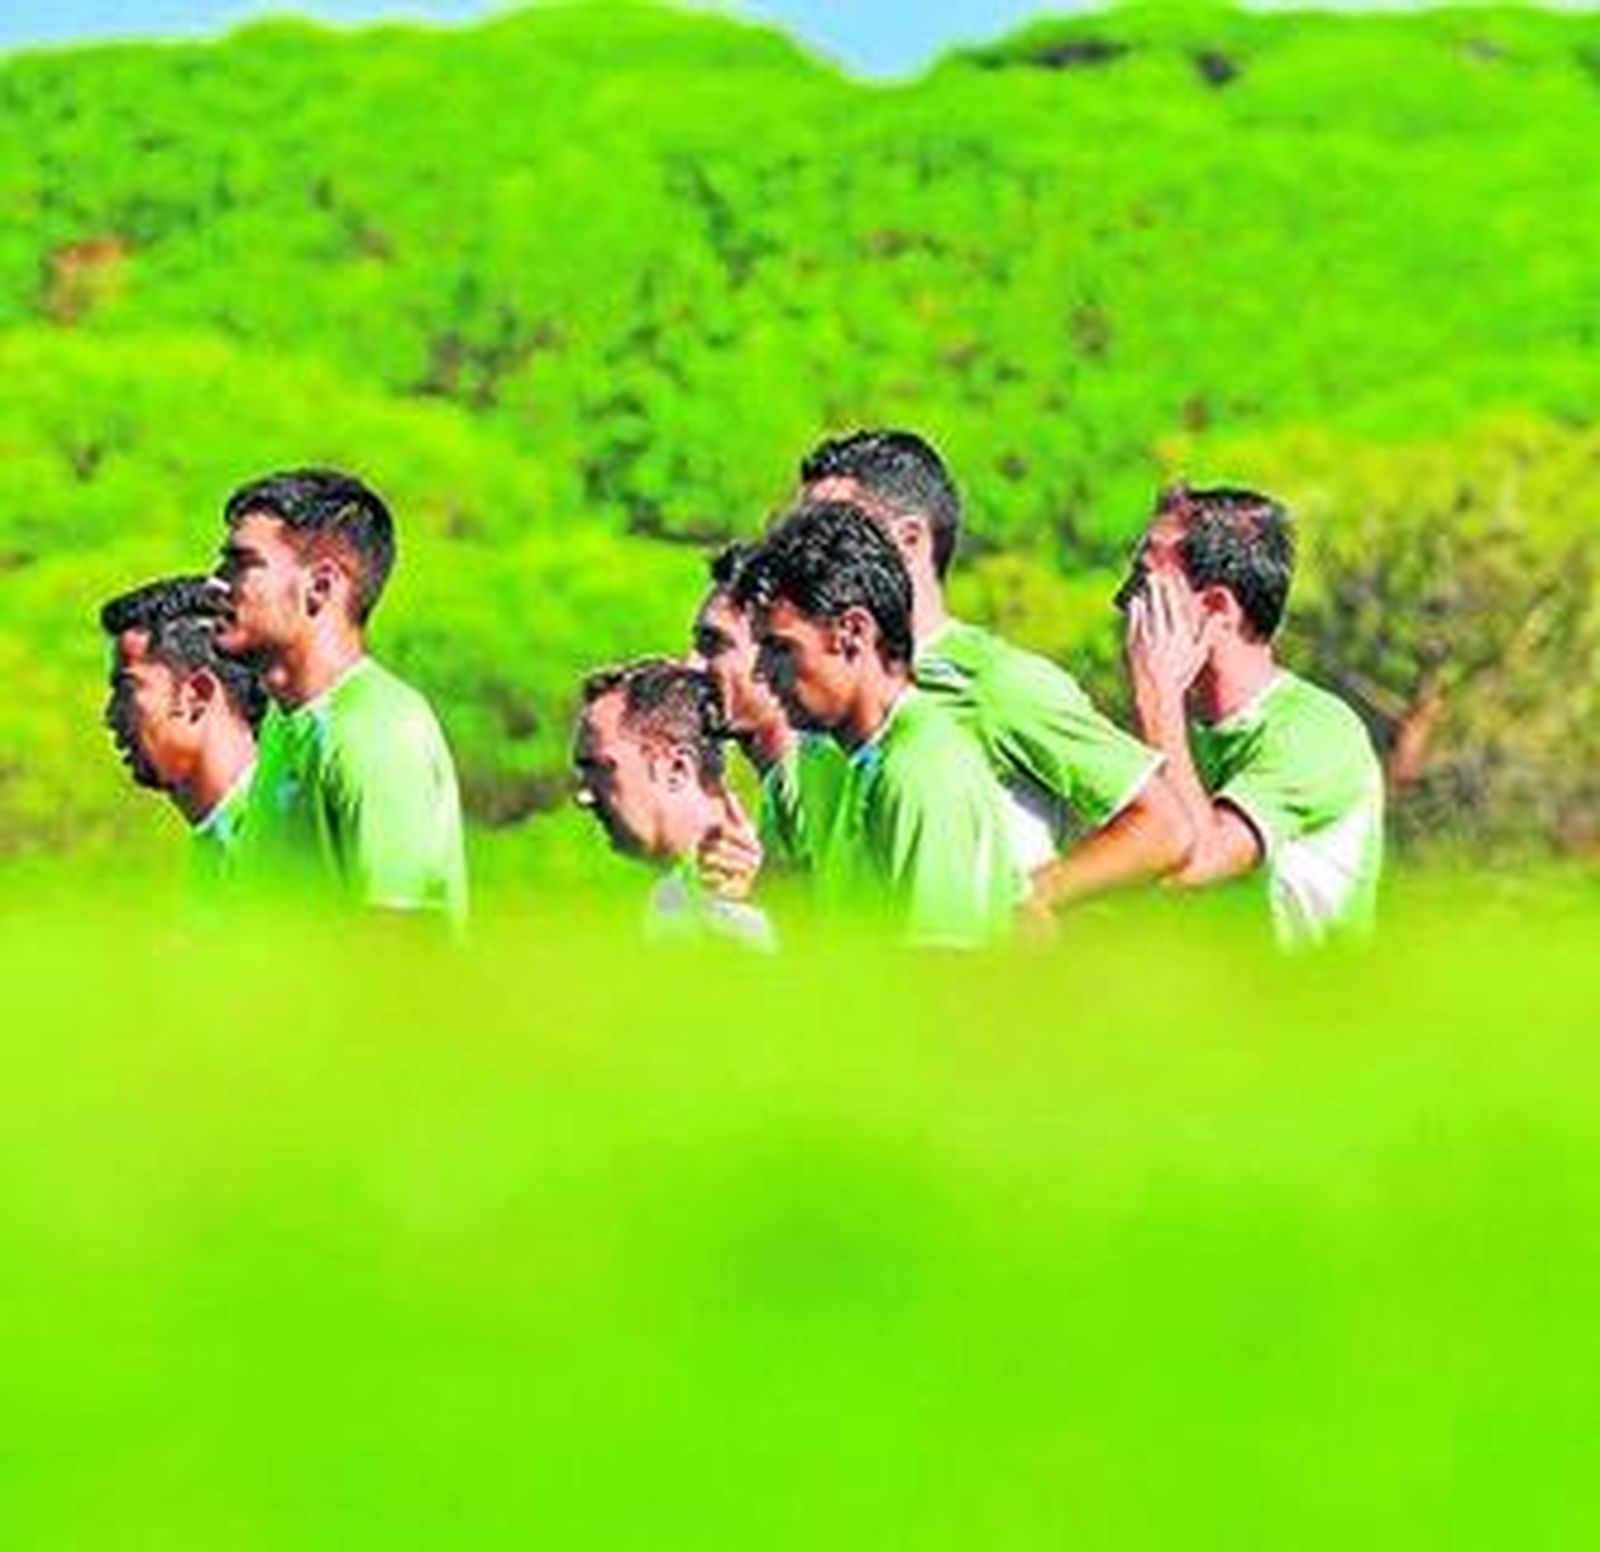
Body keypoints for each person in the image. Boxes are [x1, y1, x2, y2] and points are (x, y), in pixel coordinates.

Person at [798, 429, 1191, 907]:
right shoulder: (815, 697)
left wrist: (1026, 902)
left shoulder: (996, 682)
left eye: (831, 533)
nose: (805, 556)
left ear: (911, 539)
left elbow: (1164, 827)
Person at [1095, 483, 1383, 946]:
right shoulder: (1169, 729)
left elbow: (1191, 862)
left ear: (1217, 608)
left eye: (1143, 582)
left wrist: (1157, 694)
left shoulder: (1319, 732)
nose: (1123, 601)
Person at [734, 498, 1017, 948]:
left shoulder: (920, 770)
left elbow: (942, 975)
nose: (760, 672)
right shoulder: (851, 761)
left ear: (852, 633)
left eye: (780, 648)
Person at [212, 467, 468, 927]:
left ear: (321, 587)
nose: (215, 583)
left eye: (242, 563)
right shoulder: (283, 725)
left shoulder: (376, 729)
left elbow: (401, 936)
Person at [574, 658, 773, 949]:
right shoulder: (669, 900)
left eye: (603, 770)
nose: (584, 798)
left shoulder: (788, 890)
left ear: (677, 768)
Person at [689, 542, 845, 883]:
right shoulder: (785, 784)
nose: (692, 665)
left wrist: (762, 887)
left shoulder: (823, 775)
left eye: (713, 644)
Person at [100, 575, 264, 873]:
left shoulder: (292, 838)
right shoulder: (214, 852)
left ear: (197, 695)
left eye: (127, 690)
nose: (110, 718)